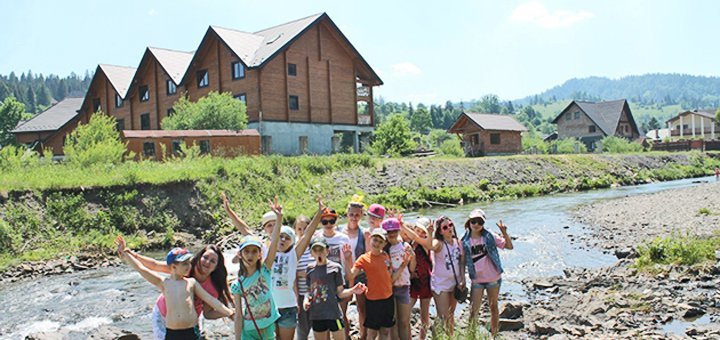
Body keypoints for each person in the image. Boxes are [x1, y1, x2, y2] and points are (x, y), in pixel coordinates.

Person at [116, 237, 232, 340]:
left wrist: (230, 312)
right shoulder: (164, 283)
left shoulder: (192, 283)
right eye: (185, 263)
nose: (189, 266)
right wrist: (127, 254)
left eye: (188, 262)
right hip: (170, 328)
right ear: (173, 267)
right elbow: (143, 269)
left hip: (191, 329)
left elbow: (211, 300)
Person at [401, 216, 464, 336]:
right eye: (445, 227)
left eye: (450, 225)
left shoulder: (458, 242)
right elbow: (426, 243)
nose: (449, 228)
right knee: (443, 316)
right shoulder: (435, 243)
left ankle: (449, 337)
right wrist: (401, 225)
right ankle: (434, 337)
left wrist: (463, 279)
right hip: (436, 284)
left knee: (450, 315)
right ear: (440, 231)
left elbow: (462, 261)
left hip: (450, 283)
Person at [232, 197, 283, 340]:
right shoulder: (238, 285)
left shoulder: (265, 270)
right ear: (240, 255)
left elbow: (274, 243)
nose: (250, 255)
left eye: (254, 251)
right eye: (246, 251)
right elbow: (238, 314)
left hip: (267, 328)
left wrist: (279, 219)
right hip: (248, 331)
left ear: (260, 254)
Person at [272, 198, 324, 340]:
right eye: (280, 237)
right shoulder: (267, 254)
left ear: (292, 241)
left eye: (286, 238)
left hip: (289, 306)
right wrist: (278, 218)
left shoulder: (293, 255)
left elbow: (307, 235)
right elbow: (247, 233)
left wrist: (319, 214)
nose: (282, 240)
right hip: (270, 306)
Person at [344, 228, 409, 340]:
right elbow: (350, 276)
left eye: (380, 241)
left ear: (384, 244)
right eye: (375, 240)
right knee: (372, 333)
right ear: (370, 239)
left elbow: (391, 279)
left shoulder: (385, 256)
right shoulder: (364, 259)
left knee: (385, 331)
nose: (377, 243)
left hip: (388, 299)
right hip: (373, 300)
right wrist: (347, 259)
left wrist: (403, 265)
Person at [304, 236, 367, 340]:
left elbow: (340, 292)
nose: (319, 253)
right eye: (315, 250)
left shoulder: (335, 268)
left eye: (321, 250)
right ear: (311, 253)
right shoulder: (310, 269)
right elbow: (308, 291)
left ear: (327, 251)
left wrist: (353, 290)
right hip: (317, 315)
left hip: (333, 313)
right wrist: (306, 300)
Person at [462, 209, 513, 335]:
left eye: (480, 222)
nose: (476, 224)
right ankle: (471, 335)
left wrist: (504, 233)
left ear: (483, 223)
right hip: (476, 279)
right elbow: (461, 261)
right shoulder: (463, 241)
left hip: (493, 277)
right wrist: (461, 279)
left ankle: (495, 335)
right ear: (469, 222)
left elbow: (509, 246)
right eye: (474, 221)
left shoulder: (490, 236)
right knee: (474, 310)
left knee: (493, 307)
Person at [314, 207, 352, 338]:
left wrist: (350, 284)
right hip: (321, 283)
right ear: (320, 223)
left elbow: (349, 264)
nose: (329, 224)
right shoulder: (316, 237)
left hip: (339, 282)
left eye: (332, 221)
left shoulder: (344, 238)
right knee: (325, 318)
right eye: (325, 222)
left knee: (341, 315)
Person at [338, 195, 370, 340]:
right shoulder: (338, 231)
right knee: (342, 309)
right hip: (341, 274)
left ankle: (363, 336)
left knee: (362, 308)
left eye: (357, 215)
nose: (354, 217)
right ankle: (346, 336)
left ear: (362, 215)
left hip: (360, 274)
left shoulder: (364, 233)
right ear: (347, 214)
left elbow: (368, 254)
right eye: (351, 214)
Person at [382, 218, 415, 340]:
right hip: (390, 289)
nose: (391, 234)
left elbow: (412, 268)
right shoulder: (384, 250)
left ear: (398, 231)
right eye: (388, 232)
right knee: (393, 322)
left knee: (405, 321)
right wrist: (403, 265)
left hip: (404, 286)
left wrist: (413, 256)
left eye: (394, 231)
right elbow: (388, 277)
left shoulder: (405, 246)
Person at [408, 218, 433, 340]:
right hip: (413, 281)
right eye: (417, 230)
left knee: (425, 313)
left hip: (425, 280)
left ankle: (422, 337)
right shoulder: (411, 244)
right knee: (406, 311)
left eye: (423, 232)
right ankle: (408, 336)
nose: (419, 233)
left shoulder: (425, 244)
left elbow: (426, 244)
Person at [294, 215, 315, 340]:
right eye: (299, 229)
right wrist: (299, 274)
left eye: (305, 228)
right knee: (302, 330)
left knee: (320, 328)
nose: (302, 232)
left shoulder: (316, 246)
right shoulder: (293, 249)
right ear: (295, 230)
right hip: (300, 294)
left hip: (316, 293)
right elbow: (288, 272)